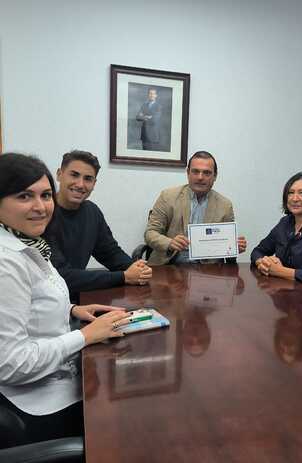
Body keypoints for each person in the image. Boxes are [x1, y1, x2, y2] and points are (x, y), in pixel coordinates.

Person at [0, 153, 133, 447]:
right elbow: (10, 364)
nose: (40, 207)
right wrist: (84, 336)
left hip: (60, 376)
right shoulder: (5, 261)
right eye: (24, 196)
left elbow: (33, 299)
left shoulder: (29, 240)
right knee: (131, 414)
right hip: (39, 401)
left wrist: (72, 308)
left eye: (45, 195)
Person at [50, 150, 152, 302]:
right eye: (74, 175)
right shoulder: (42, 213)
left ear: (94, 184)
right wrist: (124, 276)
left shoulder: (91, 211)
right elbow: (60, 275)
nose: (80, 184)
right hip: (48, 301)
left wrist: (136, 268)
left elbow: (110, 252)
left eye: (88, 179)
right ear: (59, 174)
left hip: (77, 298)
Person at [144, 150, 247, 265]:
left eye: (207, 173)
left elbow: (227, 249)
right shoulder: (168, 197)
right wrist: (170, 243)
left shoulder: (225, 205)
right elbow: (150, 233)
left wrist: (234, 247)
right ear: (188, 173)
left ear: (215, 176)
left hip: (208, 267)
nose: (200, 177)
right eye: (195, 171)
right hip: (171, 262)